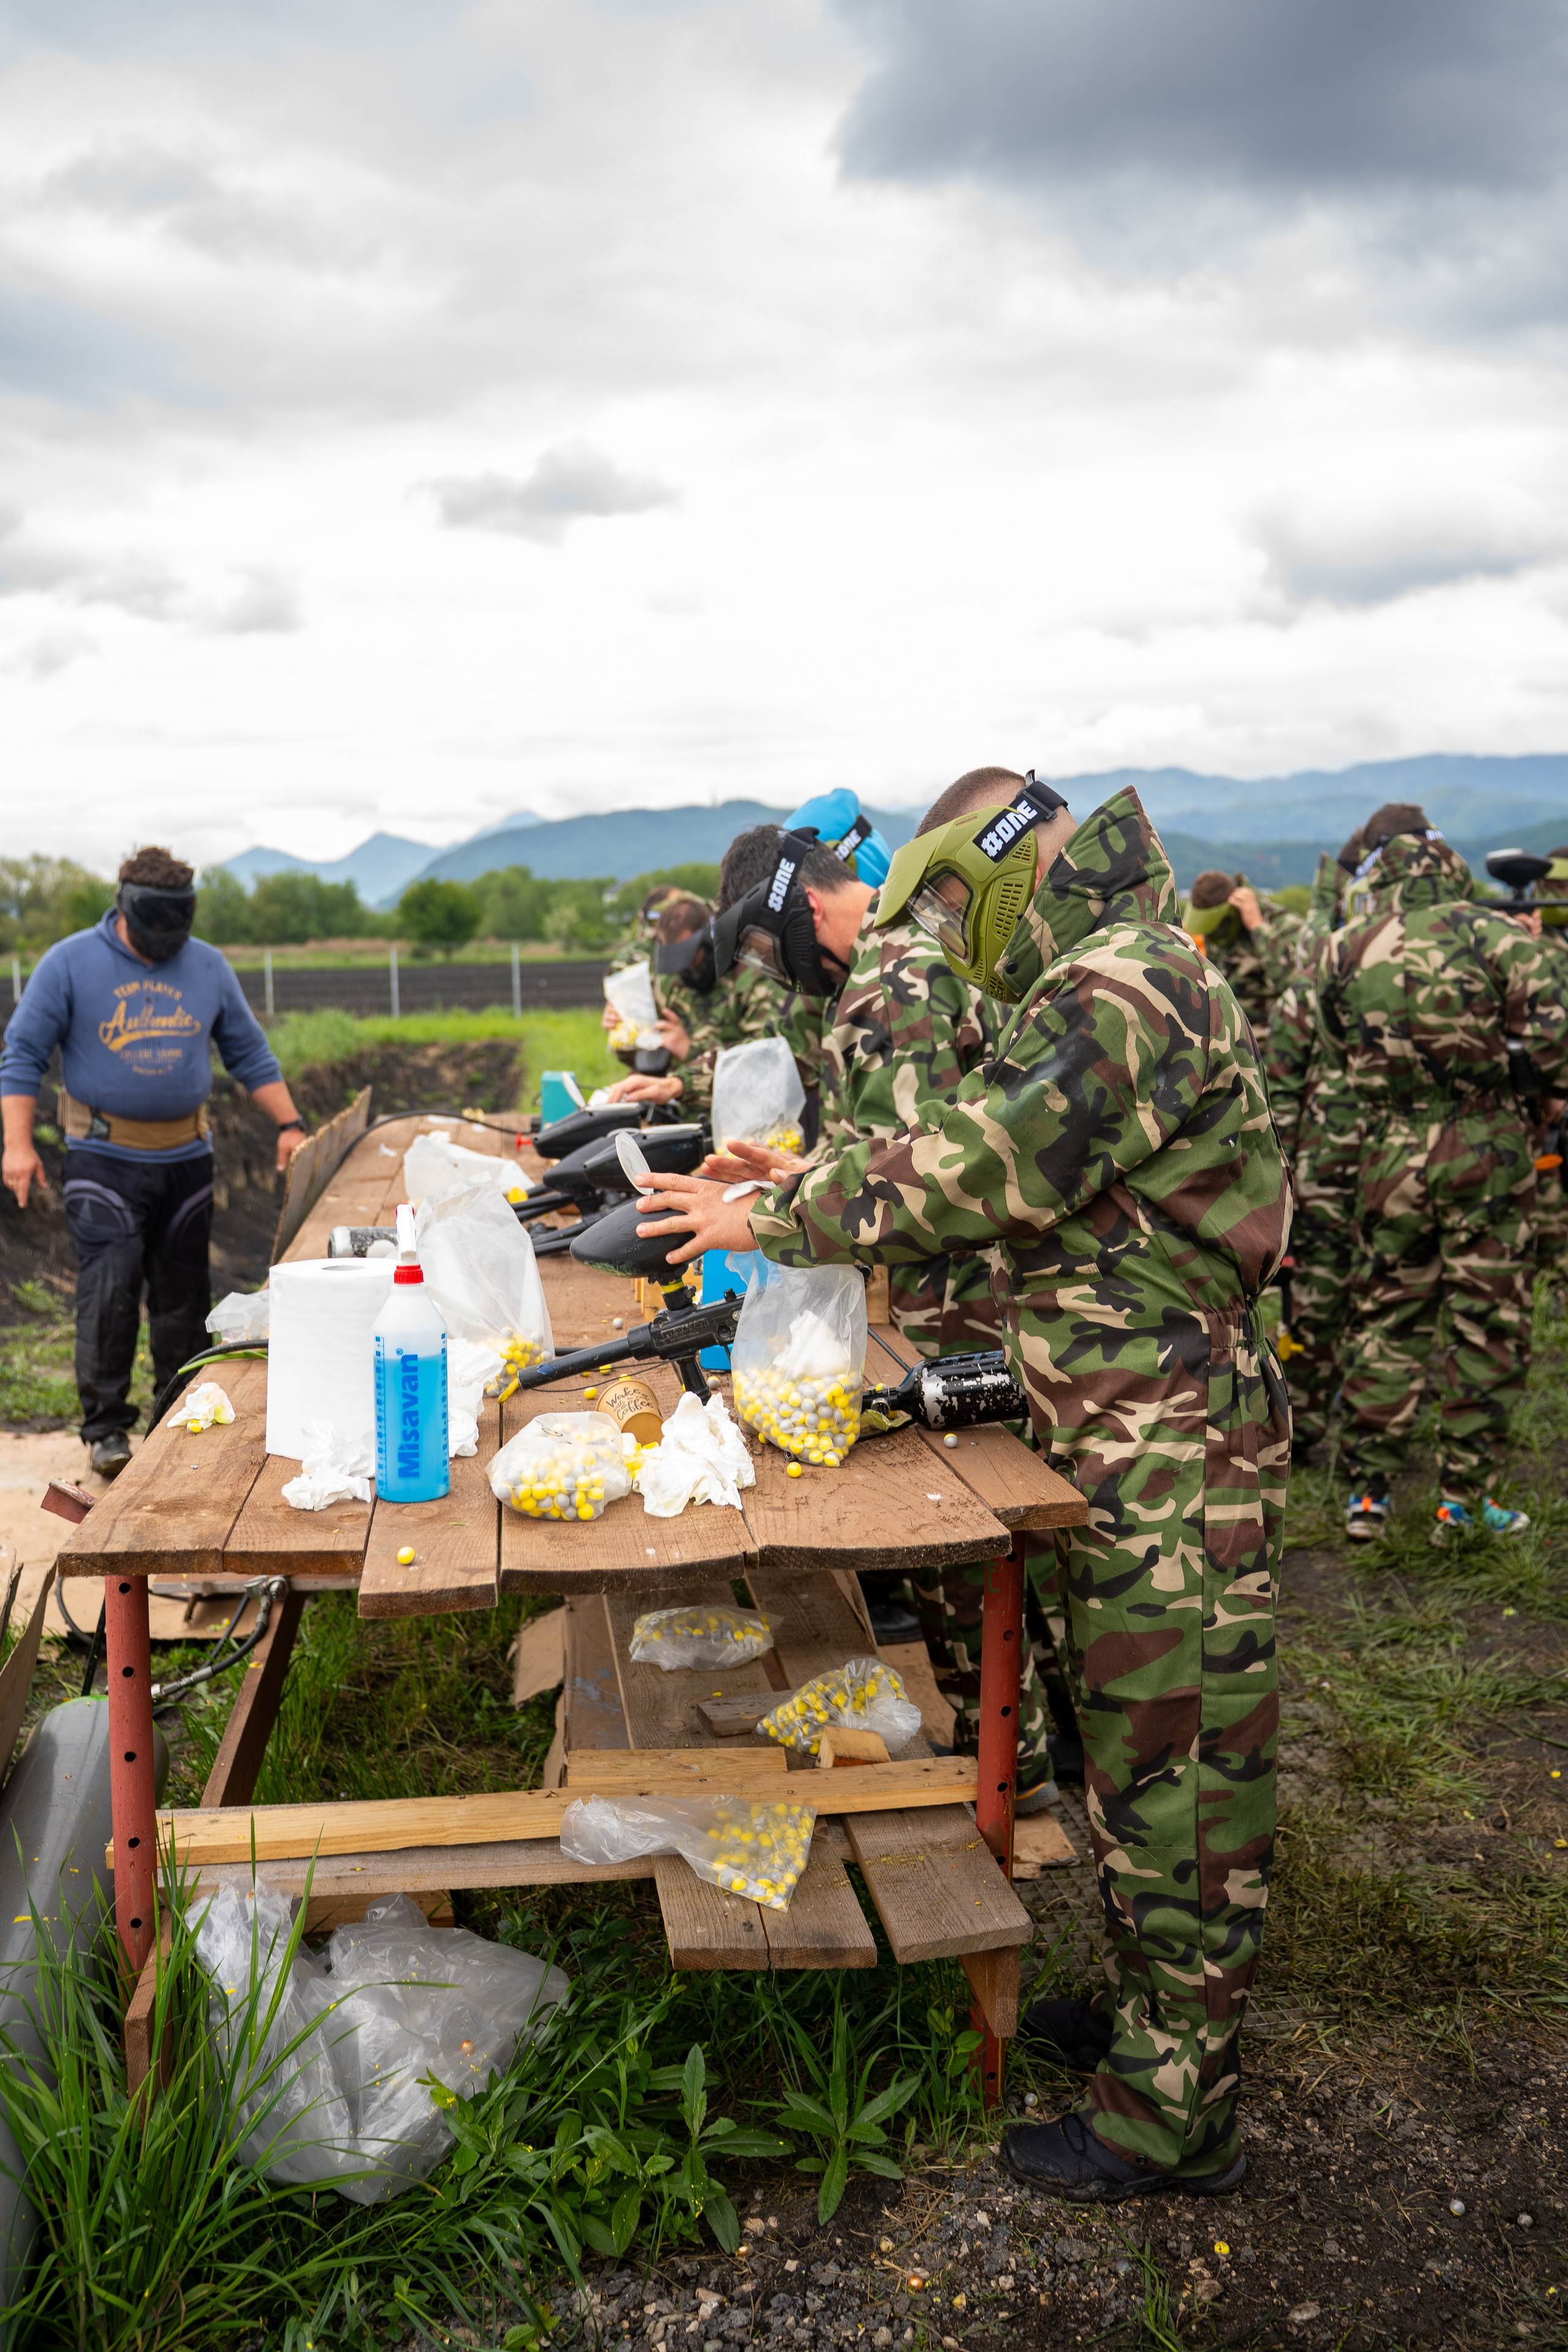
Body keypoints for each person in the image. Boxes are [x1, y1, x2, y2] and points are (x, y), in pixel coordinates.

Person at [636, 771, 1290, 2203]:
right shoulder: (1098, 979)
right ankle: (1144, 2026)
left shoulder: (1122, 988)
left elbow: (988, 1162)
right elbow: (999, 1143)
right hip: (1107, 1424)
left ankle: (1177, 2115)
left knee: (1171, 1773)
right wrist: (806, 1163)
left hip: (1166, 1444)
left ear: (993, 874)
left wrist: (781, 1206)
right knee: (1110, 1747)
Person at [706, 802, 1066, 1809]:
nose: (791, 974)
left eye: (782, 946)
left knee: (957, 1515)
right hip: (984, 1275)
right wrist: (814, 1172)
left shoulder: (890, 977)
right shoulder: (914, 956)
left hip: (963, 1291)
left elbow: (922, 1189)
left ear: (814, 902)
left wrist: (787, 1213)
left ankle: (1021, 1759)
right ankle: (1046, 1741)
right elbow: (907, 1147)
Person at [0, 846, 306, 1477]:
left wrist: (289, 1123)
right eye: (154, 929)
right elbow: (22, 1055)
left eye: (177, 929)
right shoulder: (70, 963)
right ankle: (107, 1429)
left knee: (183, 1291)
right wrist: (17, 1144)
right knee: (111, 1285)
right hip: (103, 1155)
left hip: (186, 1158)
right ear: (124, 907)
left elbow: (248, 1052)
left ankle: (178, 1411)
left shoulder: (208, 967)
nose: (166, 941)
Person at [1321, 805, 1568, 1544]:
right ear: (1448, 863)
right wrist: (1515, 1081)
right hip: (1486, 1144)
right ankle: (1461, 1501)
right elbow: (1556, 1041)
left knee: (1388, 1314)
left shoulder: (1341, 947)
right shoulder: (1496, 935)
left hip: (1389, 1149)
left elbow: (1338, 1045)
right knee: (1486, 1319)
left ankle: (1368, 1493)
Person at [1264, 837, 1365, 1461]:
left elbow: (1279, 1096)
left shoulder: (1308, 987)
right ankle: (1345, 1431)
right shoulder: (1400, 968)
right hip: (1377, 1166)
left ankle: (1310, 1424)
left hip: (1327, 1168)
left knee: (1321, 1303)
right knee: (1376, 1299)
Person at [1182, 869, 1298, 1044]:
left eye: (1216, 929)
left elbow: (1294, 985)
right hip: (1230, 1041)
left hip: (1275, 1045)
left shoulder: (1284, 926)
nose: (1212, 936)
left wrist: (1258, 928)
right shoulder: (1217, 931)